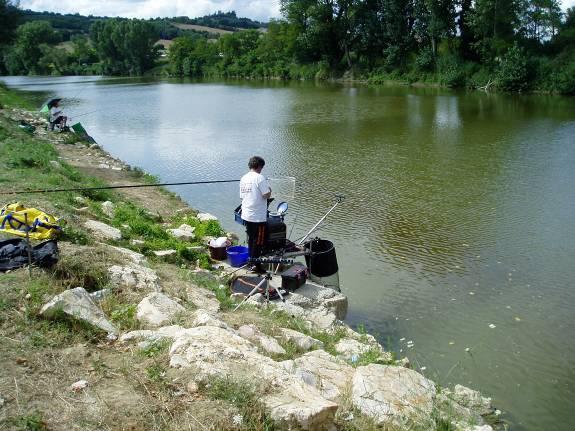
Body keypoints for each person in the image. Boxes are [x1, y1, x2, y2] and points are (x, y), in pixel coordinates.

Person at [240, 156, 271, 272]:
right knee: (258, 241)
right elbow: (266, 194)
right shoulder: (260, 177)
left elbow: (242, 196)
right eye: (262, 167)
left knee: (251, 239)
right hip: (257, 216)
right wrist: (270, 190)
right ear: (259, 166)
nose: (262, 169)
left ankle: (251, 261)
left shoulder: (243, 178)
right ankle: (255, 265)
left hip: (246, 214)